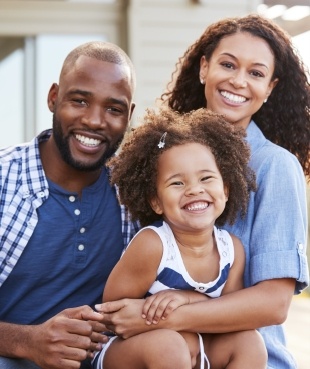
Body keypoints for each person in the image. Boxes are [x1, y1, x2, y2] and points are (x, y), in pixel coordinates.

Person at [96, 14, 310, 369]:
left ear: (270, 88)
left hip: (245, 355)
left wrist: (170, 312)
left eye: (256, 73)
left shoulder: (275, 166)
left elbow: (274, 303)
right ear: (204, 68)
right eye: (228, 64)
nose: (238, 81)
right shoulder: (166, 156)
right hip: (162, 352)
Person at [0, 41, 139, 369]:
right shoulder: (4, 179)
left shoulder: (135, 193)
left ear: (129, 116)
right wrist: (29, 341)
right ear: (53, 98)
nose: (94, 121)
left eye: (114, 109)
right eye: (79, 100)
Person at [93, 107, 266, 369]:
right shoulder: (153, 245)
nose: (195, 189)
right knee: (169, 346)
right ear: (156, 202)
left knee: (250, 342)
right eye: (177, 183)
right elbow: (113, 313)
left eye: (206, 178)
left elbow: (229, 315)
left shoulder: (232, 251)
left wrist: (187, 300)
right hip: (130, 352)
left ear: (226, 189)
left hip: (197, 349)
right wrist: (167, 322)